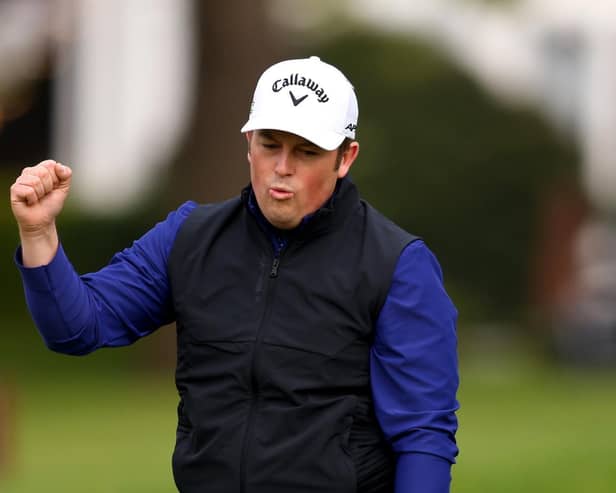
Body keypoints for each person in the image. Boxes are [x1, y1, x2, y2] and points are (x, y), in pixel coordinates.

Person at [10, 56, 459, 493]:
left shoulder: (398, 264)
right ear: (248, 142)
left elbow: (424, 437)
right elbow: (76, 328)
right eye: (270, 145)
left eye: (306, 151)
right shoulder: (188, 237)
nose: (283, 168)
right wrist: (39, 232)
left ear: (345, 158)